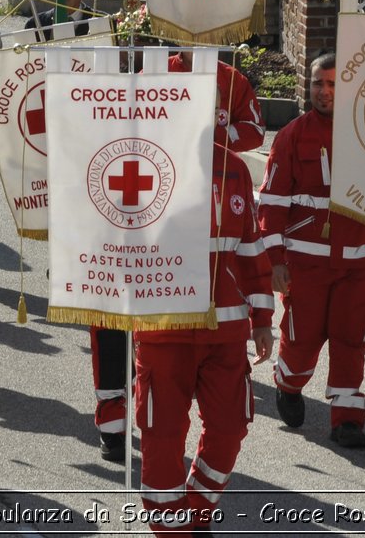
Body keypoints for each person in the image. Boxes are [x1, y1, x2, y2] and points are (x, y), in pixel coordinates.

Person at [88, 46, 268, 465]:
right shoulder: (148, 72)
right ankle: (111, 422)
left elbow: (254, 131)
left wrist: (217, 138)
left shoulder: (230, 85)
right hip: (140, 268)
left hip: (208, 306)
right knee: (110, 338)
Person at [135, 136, 274, 535]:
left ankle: (194, 513)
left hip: (225, 329)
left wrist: (263, 317)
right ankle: (171, 531)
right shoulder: (141, 158)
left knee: (231, 428)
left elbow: (250, 248)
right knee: (162, 439)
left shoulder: (234, 167)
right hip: (164, 329)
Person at [259, 52, 365, 451]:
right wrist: (275, 260)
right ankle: (288, 383)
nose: (324, 91)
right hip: (307, 263)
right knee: (302, 338)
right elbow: (272, 202)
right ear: (307, 85)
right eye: (317, 83)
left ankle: (347, 420)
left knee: (351, 339)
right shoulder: (292, 136)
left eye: (332, 84)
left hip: (360, 262)